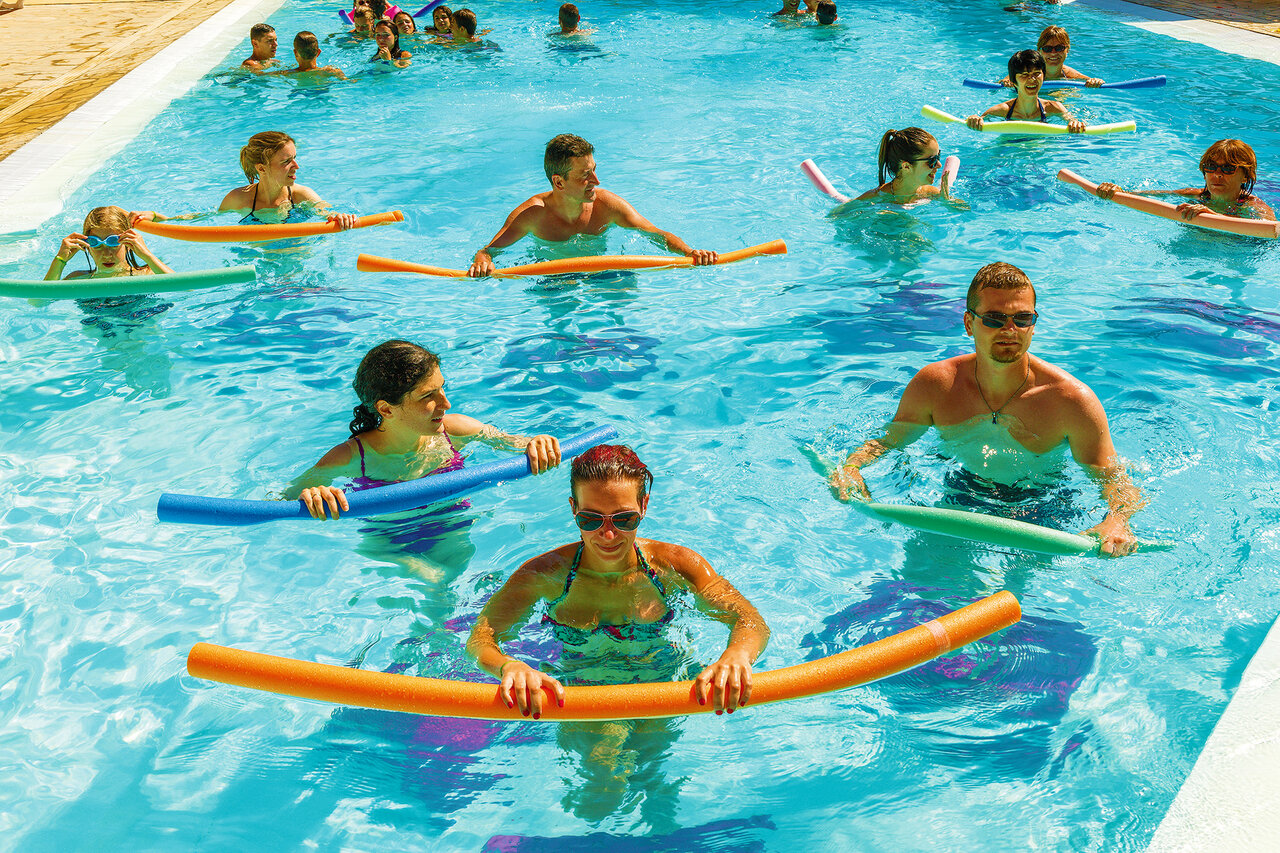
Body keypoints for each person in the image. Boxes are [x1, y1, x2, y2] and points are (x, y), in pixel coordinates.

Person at [828, 262, 1145, 556]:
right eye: (995, 319)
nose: (1010, 329)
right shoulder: (935, 385)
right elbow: (887, 441)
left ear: (1034, 325)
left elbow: (1113, 477)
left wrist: (1117, 521)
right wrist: (850, 469)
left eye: (1022, 319)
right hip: (963, 490)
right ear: (969, 323)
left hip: (1044, 504)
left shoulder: (1070, 401)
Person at [465, 444, 770, 717]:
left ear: (644, 507)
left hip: (664, 681)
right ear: (573, 510)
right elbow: (481, 639)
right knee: (604, 768)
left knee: (656, 776)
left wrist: (737, 654)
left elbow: (748, 619)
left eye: (624, 519)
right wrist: (510, 666)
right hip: (581, 692)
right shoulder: (545, 575)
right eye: (591, 519)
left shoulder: (676, 566)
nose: (608, 535)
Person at [286, 340, 562, 519]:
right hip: (391, 540)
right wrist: (311, 495)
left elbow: (516, 442)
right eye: (428, 396)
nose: (446, 403)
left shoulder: (456, 430)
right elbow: (283, 499)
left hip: (456, 522)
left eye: (443, 388)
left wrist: (538, 442)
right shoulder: (350, 458)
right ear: (386, 409)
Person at [468, 134, 718, 277]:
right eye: (584, 176)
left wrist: (688, 252)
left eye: (594, 171)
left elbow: (656, 234)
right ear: (559, 182)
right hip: (555, 278)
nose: (596, 182)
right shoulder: (532, 215)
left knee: (625, 290)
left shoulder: (606, 205)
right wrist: (483, 262)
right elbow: (488, 251)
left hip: (604, 271)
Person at [1096, 139, 1276, 222]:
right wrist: (1116, 191)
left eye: (1229, 168)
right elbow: (1138, 196)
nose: (1217, 174)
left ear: (1245, 175)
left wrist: (1214, 216)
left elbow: (1272, 230)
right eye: (1211, 167)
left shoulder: (1252, 205)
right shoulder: (1196, 195)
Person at [214, 130, 358, 226]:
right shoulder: (238, 198)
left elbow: (328, 213)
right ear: (262, 168)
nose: (296, 166)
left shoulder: (300, 195)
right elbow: (213, 222)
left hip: (298, 255)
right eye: (286, 161)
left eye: (294, 158)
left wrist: (340, 217)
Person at [967, 50, 1084, 133]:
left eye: (1036, 73)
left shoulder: (1054, 108)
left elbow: (1073, 121)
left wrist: (1076, 123)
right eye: (1024, 75)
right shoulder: (1002, 110)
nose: (1032, 79)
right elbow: (977, 121)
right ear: (1014, 81)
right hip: (1009, 147)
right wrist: (974, 119)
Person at [45, 206, 172, 280]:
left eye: (113, 243)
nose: (106, 254)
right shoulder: (78, 279)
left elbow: (187, 288)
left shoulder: (147, 274)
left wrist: (146, 254)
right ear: (87, 246)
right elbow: (39, 302)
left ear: (128, 245)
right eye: (96, 244)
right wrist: (60, 260)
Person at [855, 128, 953, 203]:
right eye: (932, 160)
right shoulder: (877, 197)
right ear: (906, 166)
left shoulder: (931, 193)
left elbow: (964, 209)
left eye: (938, 156)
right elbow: (841, 214)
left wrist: (946, 201)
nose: (939, 165)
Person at [998, 27, 1103, 87]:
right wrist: (1005, 82)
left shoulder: (1071, 76)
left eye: (1059, 48)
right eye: (1047, 49)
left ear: (1068, 49)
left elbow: (1091, 81)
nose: (1053, 53)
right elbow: (1005, 81)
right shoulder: (1029, 70)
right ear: (1039, 51)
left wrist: (1096, 82)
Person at [274, 31, 347, 80]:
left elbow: (262, 76)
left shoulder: (287, 74)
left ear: (295, 53)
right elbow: (350, 82)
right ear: (318, 52)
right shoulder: (331, 71)